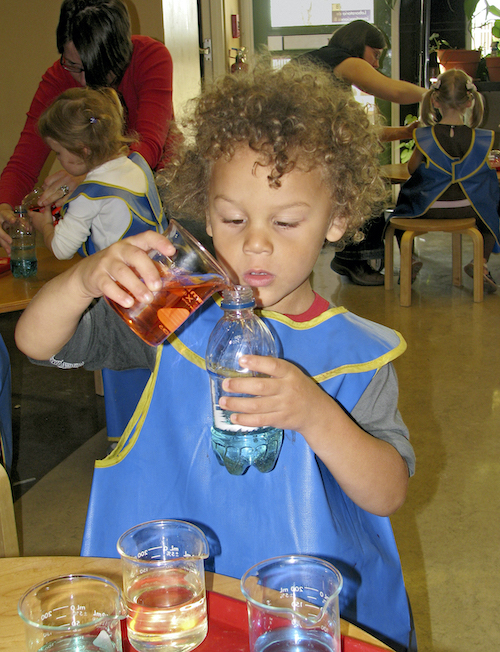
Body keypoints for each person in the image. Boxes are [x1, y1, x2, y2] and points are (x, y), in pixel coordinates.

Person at [15, 60, 416, 652]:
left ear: (336, 220)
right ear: (205, 209)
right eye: (232, 218)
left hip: (297, 619)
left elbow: (387, 493)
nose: (255, 241)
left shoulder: (357, 355)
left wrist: (315, 414)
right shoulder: (176, 312)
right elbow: (34, 342)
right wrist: (83, 281)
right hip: (174, 607)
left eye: (284, 221)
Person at [0, 0, 176, 255]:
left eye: (97, 70)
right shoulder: (58, 77)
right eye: (73, 65)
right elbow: (23, 163)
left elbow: (147, 147)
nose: (84, 81)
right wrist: (4, 205)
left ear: (121, 54)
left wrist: (91, 179)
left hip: (158, 186)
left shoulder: (151, 57)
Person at [304, 20, 426, 285]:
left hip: (290, 143)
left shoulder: (326, 69)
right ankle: (355, 259)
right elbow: (390, 89)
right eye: (376, 54)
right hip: (298, 147)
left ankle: (352, 258)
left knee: (362, 176)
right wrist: (432, 95)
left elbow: (355, 132)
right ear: (359, 46)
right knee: (368, 181)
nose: (376, 65)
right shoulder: (341, 59)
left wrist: (404, 133)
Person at [391, 68, 500, 292]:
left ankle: (409, 262)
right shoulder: (481, 138)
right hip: (468, 209)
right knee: (490, 221)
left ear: (436, 101)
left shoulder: (424, 135)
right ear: (470, 102)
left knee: (397, 217)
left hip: (427, 208)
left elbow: (412, 169)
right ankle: (481, 265)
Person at [31, 86, 165, 259]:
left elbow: (61, 249)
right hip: (158, 264)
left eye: (58, 152)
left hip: (123, 276)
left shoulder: (89, 194)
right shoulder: (136, 165)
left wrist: (45, 226)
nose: (58, 159)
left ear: (83, 151)